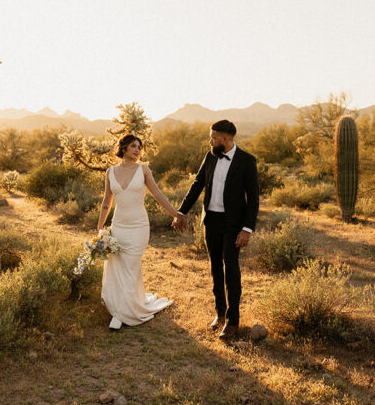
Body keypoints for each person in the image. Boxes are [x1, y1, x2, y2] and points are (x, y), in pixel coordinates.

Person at [173, 120, 259, 340]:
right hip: (211, 221)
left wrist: (246, 229)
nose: (210, 141)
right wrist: (181, 212)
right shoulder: (210, 156)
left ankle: (233, 321)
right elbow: (197, 184)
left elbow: (254, 199)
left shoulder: (247, 161)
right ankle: (220, 314)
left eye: (213, 137)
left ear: (225, 139)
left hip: (233, 225)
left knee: (231, 268)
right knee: (215, 269)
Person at [97, 133, 183, 330]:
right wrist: (100, 227)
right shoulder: (110, 172)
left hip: (138, 227)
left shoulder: (143, 170)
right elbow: (106, 202)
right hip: (118, 227)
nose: (137, 150)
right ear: (124, 148)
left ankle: (120, 315)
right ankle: (124, 304)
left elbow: (158, 194)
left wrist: (175, 214)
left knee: (132, 266)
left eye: (139, 147)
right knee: (118, 267)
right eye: (134, 146)